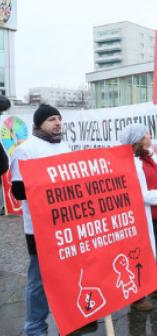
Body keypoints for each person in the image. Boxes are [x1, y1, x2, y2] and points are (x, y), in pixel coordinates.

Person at [11, 105, 71, 335]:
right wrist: (51, 184)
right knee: (39, 280)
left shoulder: (64, 146)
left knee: (68, 274)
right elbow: (18, 191)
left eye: (59, 119)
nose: (57, 123)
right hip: (39, 228)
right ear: (38, 124)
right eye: (51, 119)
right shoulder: (25, 150)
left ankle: (72, 317)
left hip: (66, 225)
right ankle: (35, 328)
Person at [120, 124, 157, 310]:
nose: (149, 136)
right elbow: (132, 192)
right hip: (142, 215)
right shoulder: (128, 161)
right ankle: (137, 297)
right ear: (137, 139)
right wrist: (155, 196)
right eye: (145, 134)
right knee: (140, 255)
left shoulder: (151, 156)